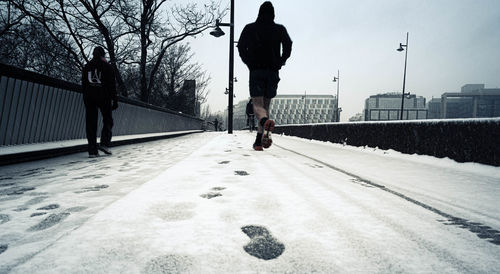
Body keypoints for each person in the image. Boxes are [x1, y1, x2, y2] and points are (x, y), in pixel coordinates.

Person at [237, 1, 292, 151]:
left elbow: (241, 47)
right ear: (273, 14)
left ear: (259, 13)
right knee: (266, 104)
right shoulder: (279, 29)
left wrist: (249, 62)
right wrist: (281, 61)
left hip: (256, 71)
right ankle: (259, 141)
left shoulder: (250, 28)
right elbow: (288, 44)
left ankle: (264, 121)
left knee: (257, 105)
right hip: (273, 72)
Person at [82, 46, 118, 158]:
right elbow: (112, 85)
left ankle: (92, 151)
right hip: (104, 97)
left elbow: (84, 84)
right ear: (103, 55)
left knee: (91, 124)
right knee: (108, 120)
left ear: (93, 54)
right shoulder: (107, 67)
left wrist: (86, 97)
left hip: (89, 97)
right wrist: (115, 100)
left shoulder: (87, 67)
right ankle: (104, 144)